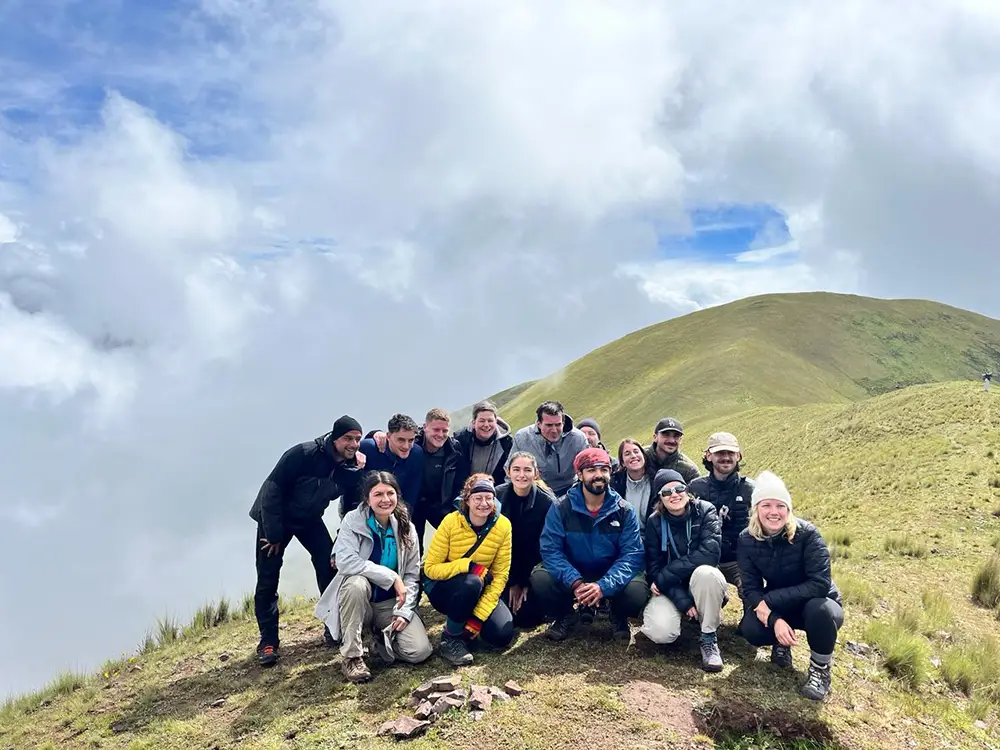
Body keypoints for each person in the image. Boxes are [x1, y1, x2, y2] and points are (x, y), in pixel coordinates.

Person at [249, 416, 365, 666]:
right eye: (348, 438)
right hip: (274, 519)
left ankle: (333, 626)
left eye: (357, 439)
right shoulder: (303, 454)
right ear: (335, 438)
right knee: (268, 578)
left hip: (309, 518)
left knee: (329, 565)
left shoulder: (349, 466)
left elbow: (356, 499)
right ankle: (268, 642)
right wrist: (273, 534)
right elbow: (271, 491)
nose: (353, 444)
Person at [314, 471, 432, 683]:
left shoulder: (407, 527)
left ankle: (377, 639)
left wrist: (404, 611)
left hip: (390, 603)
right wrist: (391, 576)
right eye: (378, 494)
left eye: (390, 493)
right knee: (355, 584)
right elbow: (345, 561)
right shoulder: (353, 520)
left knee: (419, 652)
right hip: (361, 602)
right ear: (367, 498)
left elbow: (413, 575)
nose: (385, 500)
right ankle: (352, 656)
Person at [737, 471, 844, 701]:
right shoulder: (747, 539)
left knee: (820, 610)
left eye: (780, 506)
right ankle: (781, 643)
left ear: (788, 509)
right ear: (756, 509)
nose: (773, 512)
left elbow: (820, 584)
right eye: (766, 505)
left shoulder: (808, 534)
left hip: (817, 603)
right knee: (751, 628)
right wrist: (775, 619)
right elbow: (750, 587)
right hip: (782, 603)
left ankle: (820, 670)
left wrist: (769, 602)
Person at [533, 447, 647, 641]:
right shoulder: (561, 508)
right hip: (574, 572)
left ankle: (617, 614)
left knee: (637, 590)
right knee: (540, 577)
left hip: (609, 572)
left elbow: (632, 554)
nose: (598, 475)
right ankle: (565, 614)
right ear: (579, 474)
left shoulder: (624, 510)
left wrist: (602, 586)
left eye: (604, 469)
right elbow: (551, 550)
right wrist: (576, 582)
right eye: (591, 470)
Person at [640, 470, 727, 672]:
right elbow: (654, 567)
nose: (674, 494)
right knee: (660, 633)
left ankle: (708, 638)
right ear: (660, 498)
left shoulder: (706, 511)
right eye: (666, 491)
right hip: (671, 588)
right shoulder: (654, 522)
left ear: (687, 490)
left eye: (679, 488)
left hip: (701, 583)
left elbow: (709, 555)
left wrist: (663, 577)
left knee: (707, 573)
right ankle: (691, 615)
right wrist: (683, 600)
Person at [423, 475, 514, 666]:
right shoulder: (450, 522)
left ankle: (466, 623)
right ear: (467, 500)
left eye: (488, 498)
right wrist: (469, 566)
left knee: (501, 636)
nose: (484, 503)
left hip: (480, 590)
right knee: (472, 581)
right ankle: (451, 638)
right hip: (447, 589)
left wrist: (478, 618)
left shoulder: (503, 525)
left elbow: (500, 575)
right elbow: (430, 569)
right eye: (477, 498)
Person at [365, 408, 461, 550]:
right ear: (425, 427)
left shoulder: (451, 449)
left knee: (455, 539)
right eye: (436, 430)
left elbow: (460, 481)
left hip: (437, 503)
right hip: (402, 503)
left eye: (444, 431)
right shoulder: (413, 444)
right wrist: (374, 433)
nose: (440, 434)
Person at [686, 432, 754, 595]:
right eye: (720, 453)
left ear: (738, 456)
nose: (726, 457)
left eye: (730, 453)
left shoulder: (751, 489)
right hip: (703, 562)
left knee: (751, 591)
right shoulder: (695, 489)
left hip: (741, 561)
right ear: (709, 456)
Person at [495, 452, 556, 628]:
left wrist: (529, 583)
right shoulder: (496, 498)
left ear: (535, 474)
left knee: (527, 618)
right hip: (504, 569)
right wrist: (513, 582)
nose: (522, 475)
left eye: (527, 470)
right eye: (516, 469)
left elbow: (547, 547)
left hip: (534, 567)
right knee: (507, 616)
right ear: (508, 472)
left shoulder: (547, 502)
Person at [512, 401, 590, 497]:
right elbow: (511, 472)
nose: (554, 430)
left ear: (563, 423)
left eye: (558, 425)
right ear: (539, 424)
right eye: (549, 425)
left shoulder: (578, 438)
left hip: (571, 490)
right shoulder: (522, 437)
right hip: (535, 492)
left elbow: (588, 469)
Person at [353, 414, 424, 519]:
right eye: (401, 440)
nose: (406, 446)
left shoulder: (416, 454)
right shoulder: (368, 448)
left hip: (394, 512)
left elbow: (411, 494)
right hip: (359, 511)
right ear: (388, 436)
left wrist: (401, 520)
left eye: (411, 440)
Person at [452, 400, 515, 492]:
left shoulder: (506, 443)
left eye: (490, 421)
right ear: (473, 423)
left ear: (496, 422)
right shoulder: (460, 439)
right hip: (463, 494)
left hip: (494, 495)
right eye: (482, 421)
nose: (486, 425)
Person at [610, 438, 659, 525]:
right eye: (627, 454)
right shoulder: (615, 483)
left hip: (653, 535)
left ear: (643, 456)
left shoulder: (656, 479)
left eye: (636, 451)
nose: (633, 456)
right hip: (627, 534)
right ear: (622, 462)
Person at [647, 417, 700, 483]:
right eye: (666, 434)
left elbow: (694, 492)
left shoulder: (689, 470)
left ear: (680, 440)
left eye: (676, 436)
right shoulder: (640, 457)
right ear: (655, 437)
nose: (671, 440)